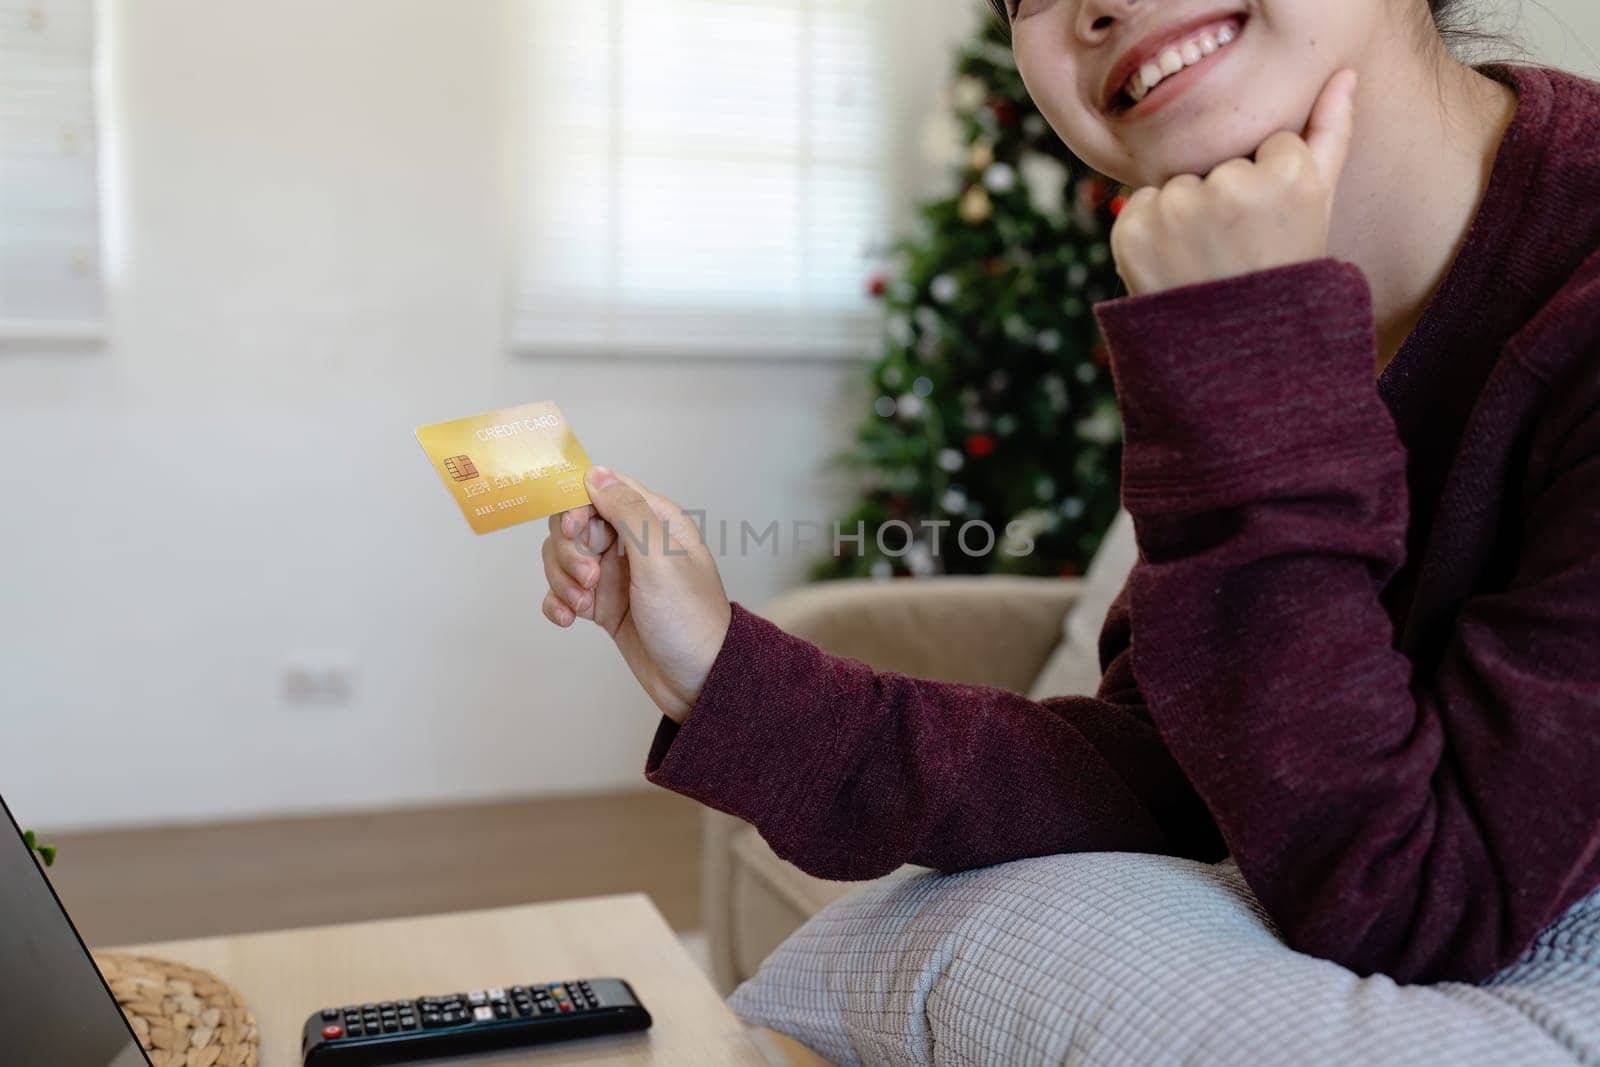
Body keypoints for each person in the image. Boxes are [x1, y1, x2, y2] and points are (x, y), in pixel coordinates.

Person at [539, 0, 1600, 986]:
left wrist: (1244, 347)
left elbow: (1408, 894)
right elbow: (1170, 770)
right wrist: (720, 669)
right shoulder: (1243, 287)